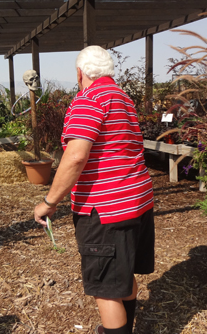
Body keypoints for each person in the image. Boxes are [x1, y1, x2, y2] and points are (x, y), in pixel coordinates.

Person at [33, 45, 155, 334]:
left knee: (106, 288)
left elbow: (76, 156)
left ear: (79, 73)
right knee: (122, 277)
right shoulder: (123, 99)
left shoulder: (88, 99)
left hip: (105, 211)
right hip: (136, 202)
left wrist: (49, 201)